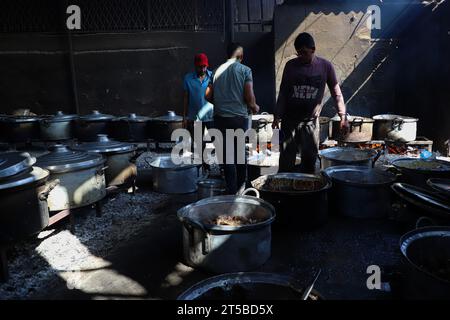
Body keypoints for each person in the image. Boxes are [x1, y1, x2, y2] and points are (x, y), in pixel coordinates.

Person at [273, 32, 349, 173]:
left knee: (309, 162)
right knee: (286, 162)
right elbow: (283, 92)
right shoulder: (290, 66)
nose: (301, 56)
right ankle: (283, 192)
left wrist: (343, 116)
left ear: (313, 50)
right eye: (298, 53)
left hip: (311, 124)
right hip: (289, 122)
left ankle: (308, 192)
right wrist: (277, 116)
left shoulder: (325, 66)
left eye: (304, 53)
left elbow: (336, 93)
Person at [206, 43, 260, 194]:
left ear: (227, 55)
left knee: (227, 156)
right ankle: (241, 189)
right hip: (239, 119)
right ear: (241, 57)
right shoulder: (245, 70)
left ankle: (231, 190)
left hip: (220, 119)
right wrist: (254, 106)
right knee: (240, 154)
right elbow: (249, 97)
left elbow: (207, 95)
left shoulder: (216, 71)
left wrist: (220, 103)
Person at [183, 53, 214, 165]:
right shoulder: (188, 78)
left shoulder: (212, 76)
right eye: (200, 66)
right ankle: (202, 166)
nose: (203, 69)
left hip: (211, 115)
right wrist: (185, 117)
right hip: (195, 116)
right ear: (195, 66)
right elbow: (186, 98)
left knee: (218, 141)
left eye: (205, 66)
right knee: (198, 143)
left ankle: (222, 168)